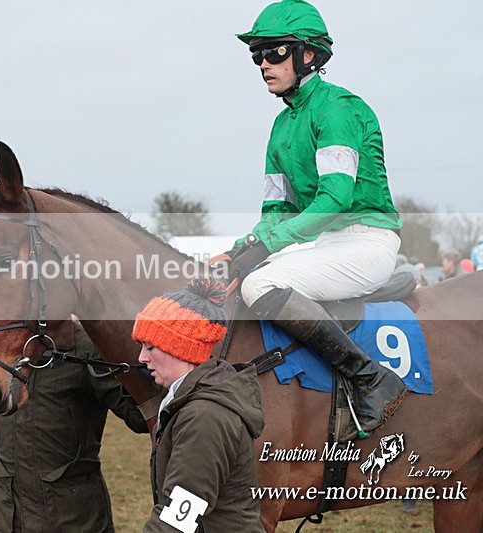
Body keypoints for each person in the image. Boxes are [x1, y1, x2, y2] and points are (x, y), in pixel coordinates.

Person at [229, 0, 406, 439]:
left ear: (308, 55)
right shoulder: (280, 127)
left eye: (274, 53)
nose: (263, 64)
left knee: (259, 284)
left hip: (366, 241)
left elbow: (335, 200)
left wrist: (267, 248)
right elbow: (276, 212)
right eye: (257, 55)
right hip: (323, 245)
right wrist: (245, 247)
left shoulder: (338, 108)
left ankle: (370, 377)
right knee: (243, 275)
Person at [0, 321, 149, 533]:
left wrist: (133, 360)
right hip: (6, 518)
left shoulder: (87, 348)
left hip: (74, 519)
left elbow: (140, 417)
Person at [132, 278, 265, 531]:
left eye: (151, 347)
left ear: (181, 349)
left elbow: (179, 514)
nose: (142, 358)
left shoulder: (205, 416)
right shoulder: (186, 400)